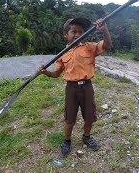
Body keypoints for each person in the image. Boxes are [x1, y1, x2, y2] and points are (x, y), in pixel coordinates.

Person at [38, 17, 112, 156]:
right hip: (71, 89)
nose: (78, 34)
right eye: (74, 31)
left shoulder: (90, 47)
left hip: (87, 87)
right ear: (66, 35)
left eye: (81, 31)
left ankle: (86, 137)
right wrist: (45, 72)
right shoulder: (62, 54)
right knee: (69, 118)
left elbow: (107, 45)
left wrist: (104, 30)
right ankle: (67, 141)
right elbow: (56, 74)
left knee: (89, 116)